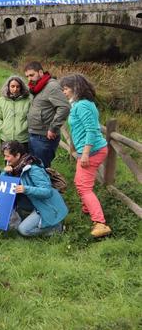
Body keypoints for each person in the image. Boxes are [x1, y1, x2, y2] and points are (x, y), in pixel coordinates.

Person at [60, 74, 111, 238]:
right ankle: (87, 209)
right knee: (80, 182)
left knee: (83, 186)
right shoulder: (79, 104)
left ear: (76, 88)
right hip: (88, 150)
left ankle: (100, 223)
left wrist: (86, 154)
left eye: (66, 89)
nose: (64, 92)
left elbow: (92, 130)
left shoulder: (82, 105)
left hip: (92, 151)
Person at [2, 141, 67, 237]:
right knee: (16, 226)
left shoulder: (34, 169)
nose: (5, 159)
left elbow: (47, 191)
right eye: (5, 156)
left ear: (17, 155)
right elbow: (2, 185)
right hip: (30, 204)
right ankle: (36, 220)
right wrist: (5, 173)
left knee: (23, 230)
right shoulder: (14, 167)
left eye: (8, 156)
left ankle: (57, 228)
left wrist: (26, 189)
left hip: (43, 205)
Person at [25, 61, 70, 169]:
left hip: (44, 137)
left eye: (32, 75)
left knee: (42, 169)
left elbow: (64, 107)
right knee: (34, 168)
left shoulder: (52, 86)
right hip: (33, 134)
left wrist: (53, 128)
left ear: (40, 72)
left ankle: (46, 186)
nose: (29, 79)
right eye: (27, 76)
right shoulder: (36, 88)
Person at [0, 76, 31, 150]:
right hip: (6, 138)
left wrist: (25, 127)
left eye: (18, 87)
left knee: (23, 160)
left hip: (23, 139)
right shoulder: (0, 101)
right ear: (8, 87)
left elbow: (31, 117)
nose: (15, 89)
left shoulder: (28, 100)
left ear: (21, 87)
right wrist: (3, 127)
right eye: (12, 86)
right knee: (8, 160)